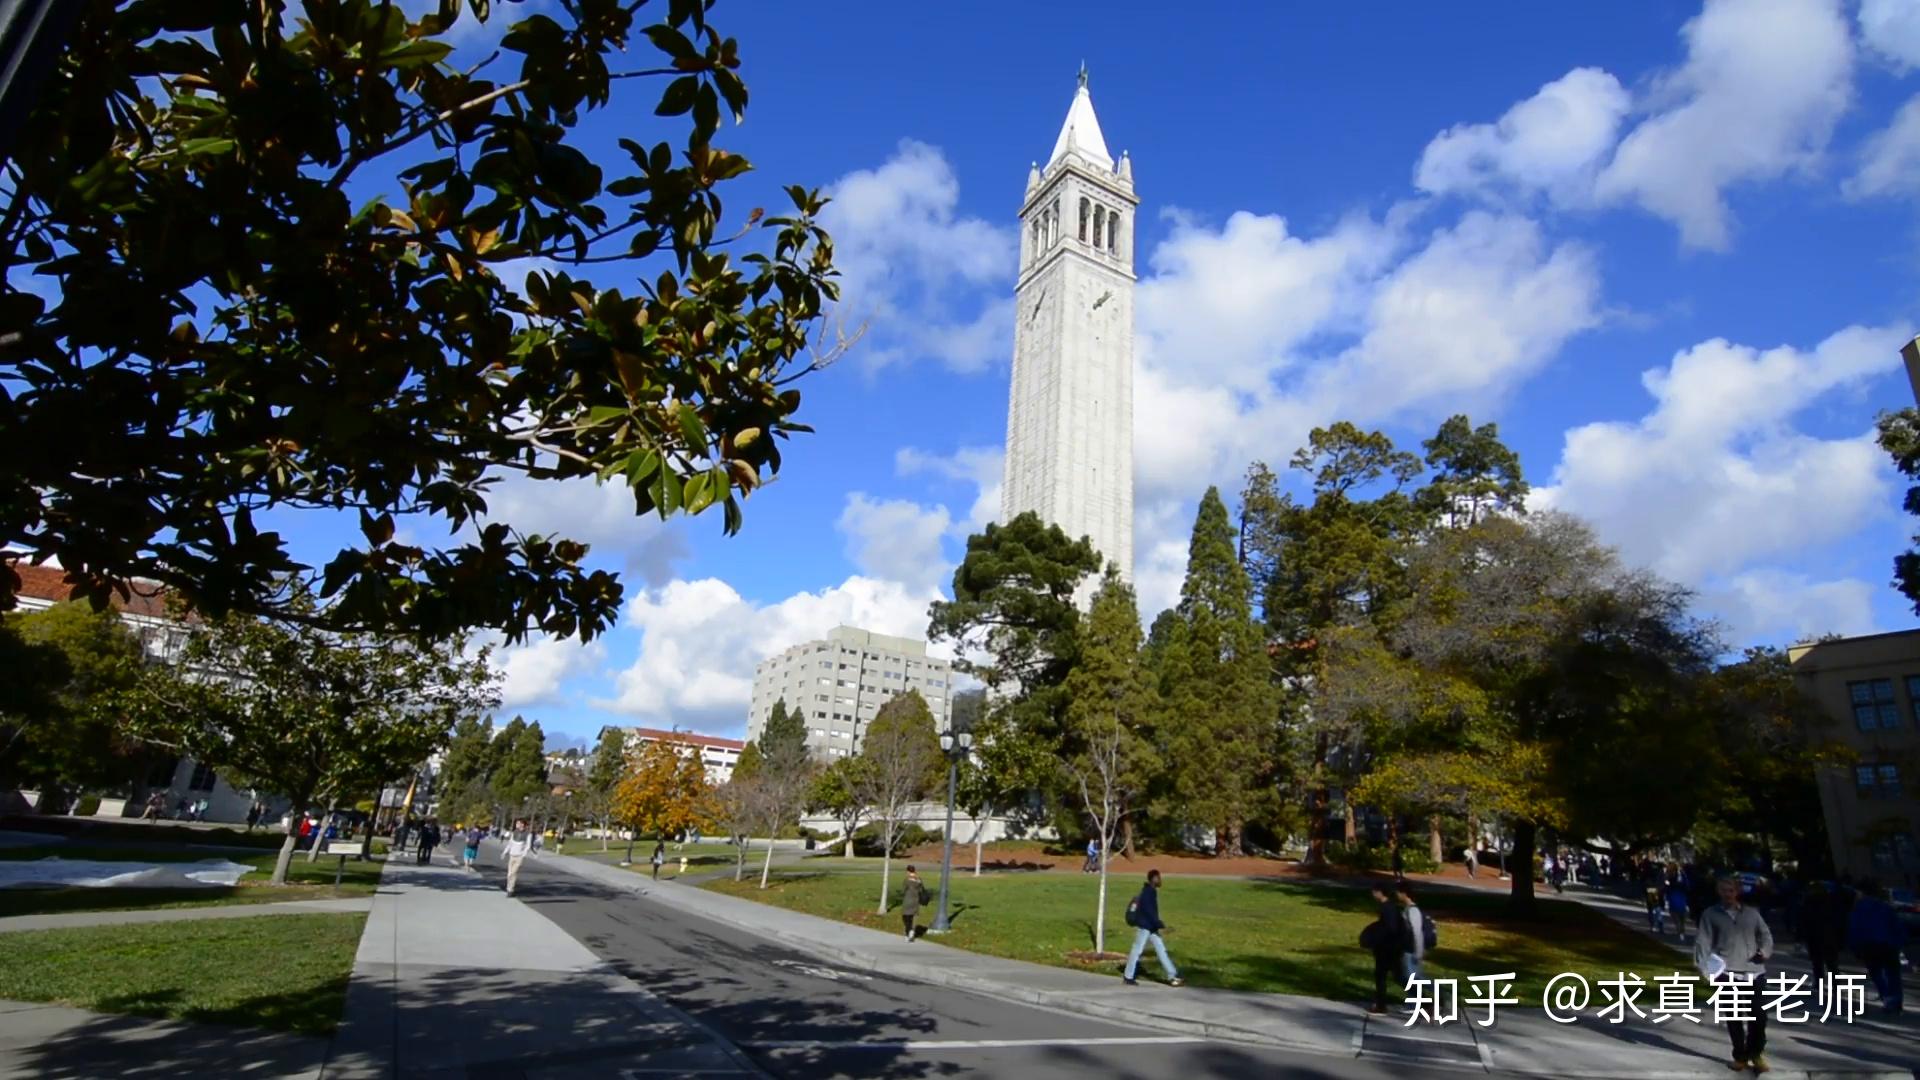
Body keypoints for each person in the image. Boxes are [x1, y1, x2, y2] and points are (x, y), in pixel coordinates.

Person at [1694, 873, 1773, 1074]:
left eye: (1731, 890)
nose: (1727, 894)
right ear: (1718, 892)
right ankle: (1740, 1056)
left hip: (1754, 971)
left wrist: (1764, 952)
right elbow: (1703, 942)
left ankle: (1756, 1052)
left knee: (1759, 1015)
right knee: (1734, 1016)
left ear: (1737, 891)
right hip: (1727, 972)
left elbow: (1765, 935)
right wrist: (1704, 969)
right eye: (1723, 890)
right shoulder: (1710, 914)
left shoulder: (1752, 914)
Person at [1846, 882, 1907, 1016]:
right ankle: (1896, 1000)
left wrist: (1854, 946)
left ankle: (1887, 997)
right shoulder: (1886, 907)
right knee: (1893, 973)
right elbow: (1897, 926)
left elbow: (1855, 929)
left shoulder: (1859, 908)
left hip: (1870, 945)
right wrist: (1900, 942)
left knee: (1876, 972)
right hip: (1889, 944)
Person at [1123, 870, 1182, 988]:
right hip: (1145, 927)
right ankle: (1128, 976)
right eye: (1158, 878)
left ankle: (1172, 975)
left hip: (1151, 927)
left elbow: (1151, 913)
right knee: (1137, 950)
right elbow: (1150, 912)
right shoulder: (1148, 892)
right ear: (1153, 879)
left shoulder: (1150, 891)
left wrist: (1157, 925)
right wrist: (1160, 925)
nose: (1160, 880)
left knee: (1161, 950)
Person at [1396, 884, 1427, 986]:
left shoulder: (1413, 910)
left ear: (1404, 894)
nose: (1397, 895)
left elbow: (1417, 932)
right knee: (1411, 977)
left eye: (1398, 893)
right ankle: (1414, 1001)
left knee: (1414, 978)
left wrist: (1418, 951)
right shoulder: (1407, 909)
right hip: (1407, 948)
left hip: (1412, 949)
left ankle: (1439, 992)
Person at [504, 819, 536, 896]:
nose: (516, 824)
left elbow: (528, 845)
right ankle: (509, 887)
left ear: (522, 824)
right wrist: (505, 852)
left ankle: (510, 890)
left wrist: (523, 854)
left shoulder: (528, 834)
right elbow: (510, 843)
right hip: (512, 855)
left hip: (519, 856)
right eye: (516, 823)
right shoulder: (514, 832)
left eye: (518, 823)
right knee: (509, 874)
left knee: (513, 873)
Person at [901, 865, 930, 941]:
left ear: (908, 871)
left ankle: (908, 932)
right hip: (916, 901)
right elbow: (921, 890)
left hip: (907, 900)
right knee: (912, 917)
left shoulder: (907, 879)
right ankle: (911, 931)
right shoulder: (919, 879)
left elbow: (903, 890)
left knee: (906, 917)